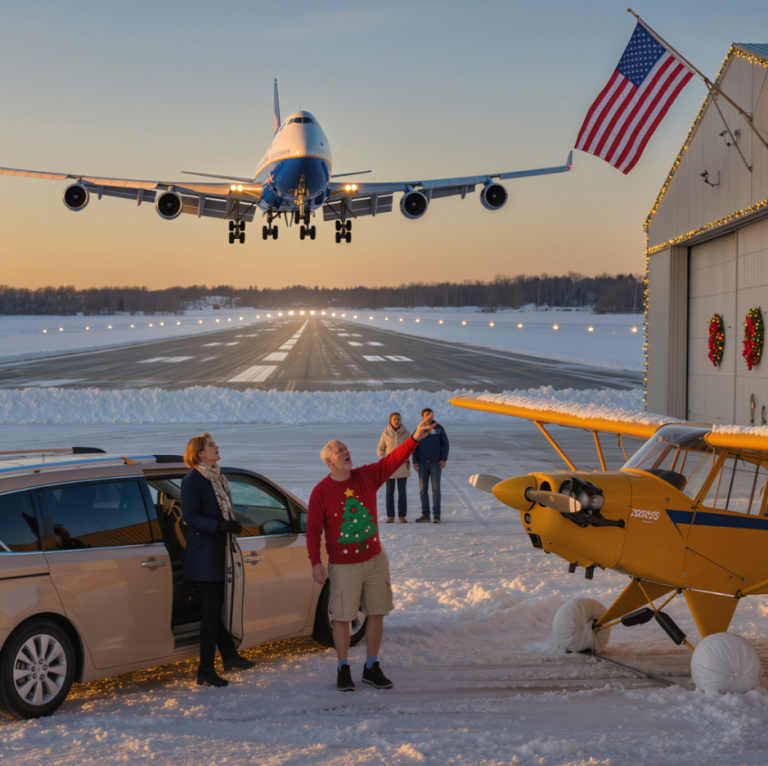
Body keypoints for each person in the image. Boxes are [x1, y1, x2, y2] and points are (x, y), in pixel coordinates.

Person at [307, 415, 436, 692]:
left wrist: (413, 438)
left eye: (346, 448)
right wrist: (316, 563)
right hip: (343, 566)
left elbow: (391, 461)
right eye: (339, 450)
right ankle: (343, 668)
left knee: (376, 613)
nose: (346, 452)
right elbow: (313, 530)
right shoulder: (321, 492)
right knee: (342, 618)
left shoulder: (365, 476)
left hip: (375, 560)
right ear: (329, 461)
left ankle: (371, 667)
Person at [181, 433, 256, 687]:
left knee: (217, 607)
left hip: (220, 552)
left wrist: (226, 526)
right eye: (211, 445)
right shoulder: (192, 480)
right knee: (211, 611)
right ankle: (205, 670)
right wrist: (219, 525)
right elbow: (191, 517)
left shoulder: (218, 477)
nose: (216, 447)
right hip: (203, 555)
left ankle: (229, 655)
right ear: (200, 453)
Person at [413, 408, 449, 523]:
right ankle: (425, 515)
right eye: (427, 415)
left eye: (431, 414)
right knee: (423, 490)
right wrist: (415, 461)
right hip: (422, 465)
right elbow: (413, 445)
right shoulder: (419, 429)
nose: (429, 416)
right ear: (422, 417)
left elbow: (445, 444)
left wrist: (443, 459)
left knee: (436, 489)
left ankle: (436, 515)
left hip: (435, 464)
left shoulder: (438, 428)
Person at [376, 412, 411, 523]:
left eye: (398, 419)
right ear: (390, 421)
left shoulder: (406, 433)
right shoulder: (385, 434)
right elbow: (380, 449)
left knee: (402, 492)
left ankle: (402, 516)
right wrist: (383, 458)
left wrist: (406, 457)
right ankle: (390, 516)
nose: (396, 421)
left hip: (402, 466)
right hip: (389, 467)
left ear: (401, 420)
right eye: (394, 419)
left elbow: (411, 446)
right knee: (389, 492)